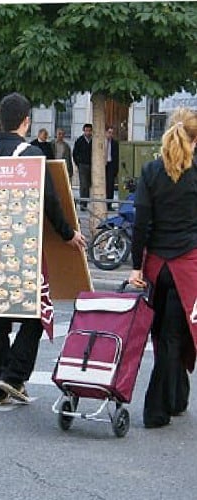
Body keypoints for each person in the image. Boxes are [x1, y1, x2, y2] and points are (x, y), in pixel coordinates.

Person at [0, 92, 86, 405]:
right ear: (26, 121)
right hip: (22, 246)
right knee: (36, 315)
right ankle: (13, 376)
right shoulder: (30, 153)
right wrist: (68, 234)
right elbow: (50, 201)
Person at [128, 108, 197, 429]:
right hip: (188, 267)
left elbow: (141, 224)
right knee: (176, 336)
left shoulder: (151, 171)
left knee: (163, 337)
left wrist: (135, 267)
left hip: (157, 266)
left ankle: (177, 397)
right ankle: (157, 408)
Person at [73, 123, 93, 210]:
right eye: (86, 131)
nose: (88, 132)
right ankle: (83, 204)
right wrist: (78, 163)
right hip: (83, 165)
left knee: (89, 184)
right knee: (83, 184)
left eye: (89, 131)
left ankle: (86, 201)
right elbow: (75, 153)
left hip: (92, 165)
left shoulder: (94, 140)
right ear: (84, 131)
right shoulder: (80, 140)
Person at [105, 125, 119, 211]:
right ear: (106, 132)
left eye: (112, 133)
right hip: (102, 165)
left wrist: (116, 169)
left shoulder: (114, 143)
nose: (110, 135)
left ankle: (109, 205)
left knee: (110, 186)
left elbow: (116, 157)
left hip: (111, 165)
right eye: (109, 133)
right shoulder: (101, 142)